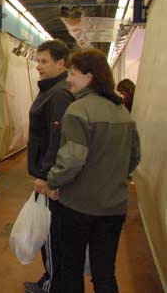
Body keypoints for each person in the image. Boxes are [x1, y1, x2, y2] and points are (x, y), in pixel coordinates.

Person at [35, 48, 141, 293]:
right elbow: (134, 156)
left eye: (73, 73)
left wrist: (52, 182)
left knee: (71, 269)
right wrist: (111, 176)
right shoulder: (122, 111)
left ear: (89, 76)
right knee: (104, 272)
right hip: (114, 207)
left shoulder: (78, 110)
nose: (69, 78)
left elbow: (72, 160)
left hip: (78, 207)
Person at [25, 40, 74, 293]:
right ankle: (50, 278)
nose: (38, 66)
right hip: (48, 175)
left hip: (50, 179)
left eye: (44, 61)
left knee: (52, 235)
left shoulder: (58, 94)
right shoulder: (51, 90)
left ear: (61, 63)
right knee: (49, 232)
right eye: (38, 60)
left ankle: (53, 285)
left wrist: (46, 177)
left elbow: (57, 140)